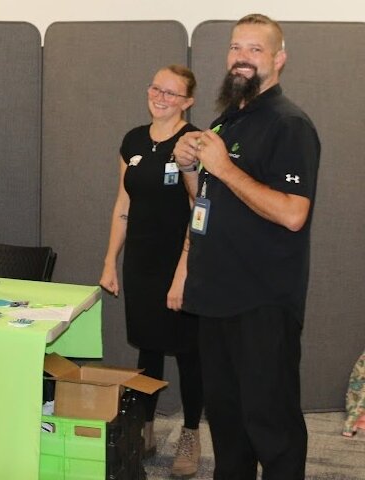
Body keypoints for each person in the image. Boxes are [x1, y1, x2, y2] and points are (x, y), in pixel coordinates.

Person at [173, 14, 320, 480]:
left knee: (272, 431)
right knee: (230, 432)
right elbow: (209, 204)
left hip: (261, 305)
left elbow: (293, 214)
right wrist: (192, 168)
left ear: (279, 59)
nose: (242, 57)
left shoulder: (289, 124)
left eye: (255, 49)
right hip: (215, 299)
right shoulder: (228, 120)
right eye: (236, 48)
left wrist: (225, 166)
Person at [99, 65, 203, 477]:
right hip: (140, 262)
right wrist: (110, 261)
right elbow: (123, 205)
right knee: (148, 347)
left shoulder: (194, 142)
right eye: (157, 88)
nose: (161, 97)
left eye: (172, 93)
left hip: (181, 262)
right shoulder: (132, 140)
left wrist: (183, 273)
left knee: (190, 352)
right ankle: (144, 428)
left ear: (188, 102)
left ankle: (192, 434)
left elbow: (200, 210)